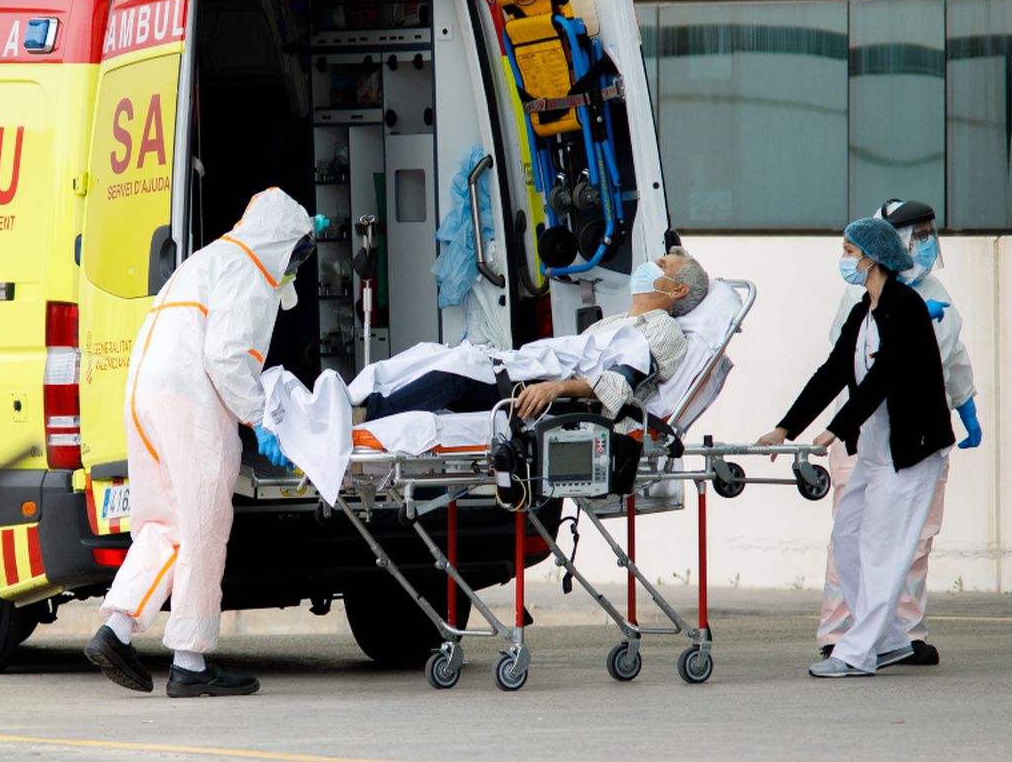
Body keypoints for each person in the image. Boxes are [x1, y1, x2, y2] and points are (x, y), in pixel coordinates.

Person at [85, 188, 319, 698]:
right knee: (203, 527)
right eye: (297, 254)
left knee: (163, 522)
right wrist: (260, 419)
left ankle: (116, 630)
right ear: (282, 243)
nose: (295, 266)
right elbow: (228, 357)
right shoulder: (251, 272)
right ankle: (190, 663)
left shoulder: (210, 257)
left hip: (146, 392)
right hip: (190, 402)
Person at [756, 217, 954, 678]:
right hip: (875, 449)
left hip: (911, 451)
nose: (845, 259)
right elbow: (832, 371)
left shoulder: (906, 307)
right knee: (847, 537)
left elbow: (886, 375)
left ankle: (858, 652)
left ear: (874, 257)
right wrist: (787, 427)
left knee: (882, 548)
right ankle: (889, 642)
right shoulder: (864, 309)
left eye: (849, 250)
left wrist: (834, 427)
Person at [815, 200, 978, 666]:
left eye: (929, 233)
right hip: (867, 430)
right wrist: (824, 425)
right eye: (917, 233)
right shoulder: (862, 298)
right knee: (855, 536)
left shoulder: (936, 293)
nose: (924, 242)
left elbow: (954, 359)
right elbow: (849, 366)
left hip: (914, 435)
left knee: (914, 540)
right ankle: (841, 630)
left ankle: (900, 633)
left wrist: (966, 405)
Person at [363, 247, 711, 420]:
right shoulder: (616, 323)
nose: (653, 264)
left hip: (544, 396)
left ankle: (366, 419)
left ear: (678, 291)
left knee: (453, 376)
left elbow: (621, 384)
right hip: (525, 372)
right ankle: (360, 399)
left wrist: (556, 388)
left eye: (663, 266)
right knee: (432, 354)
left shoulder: (663, 329)